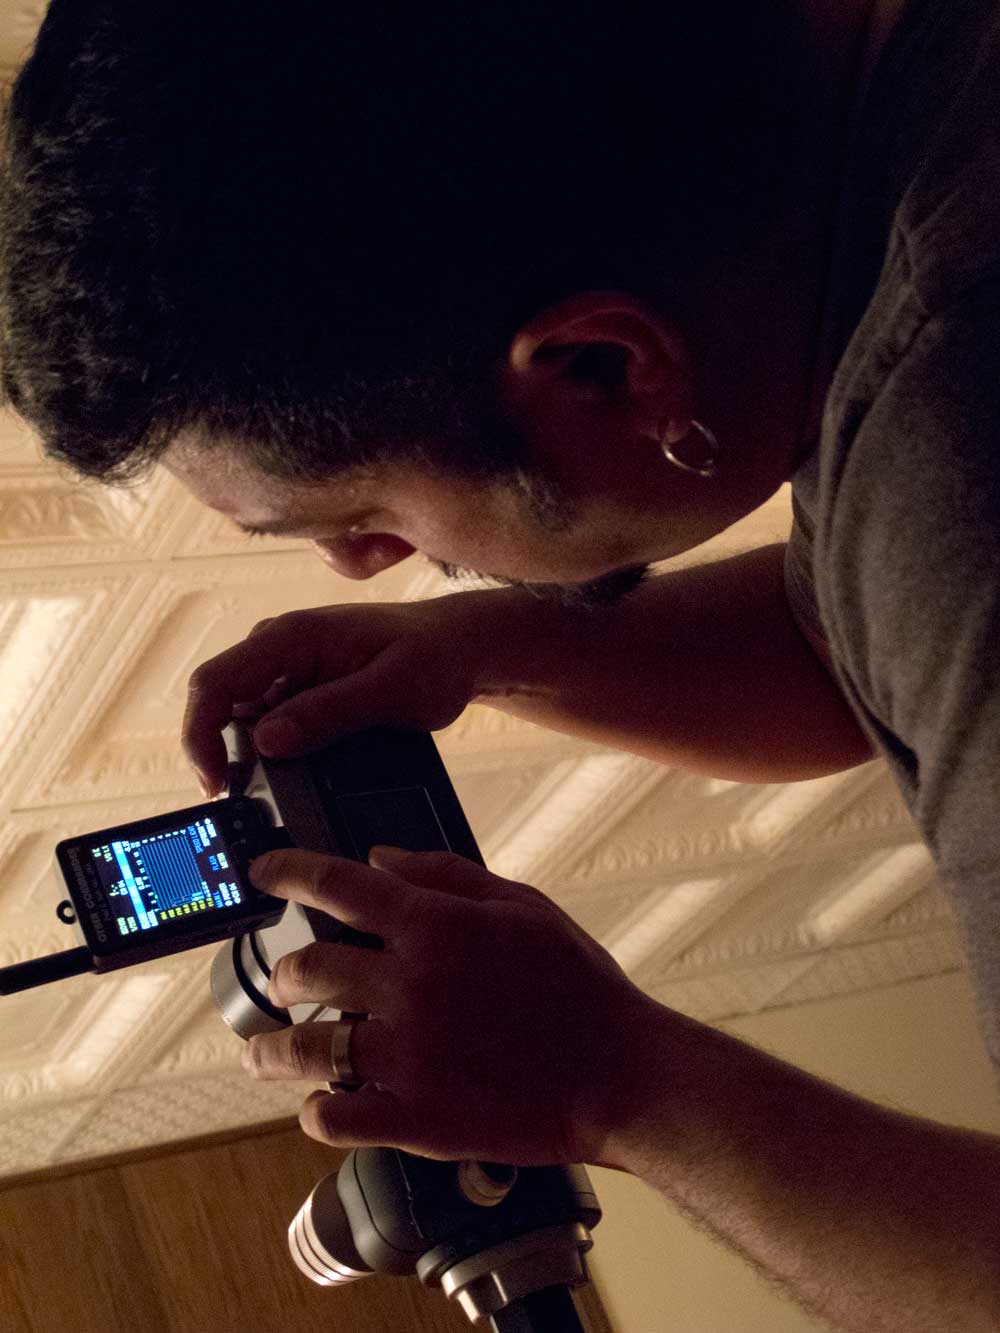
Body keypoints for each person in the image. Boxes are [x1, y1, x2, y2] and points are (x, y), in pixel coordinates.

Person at [1, 0, 998, 1326]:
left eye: (365, 515)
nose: (365, 566)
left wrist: (616, 1085)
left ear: (603, 367)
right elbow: (850, 647)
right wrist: (487, 646)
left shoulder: (961, 456)